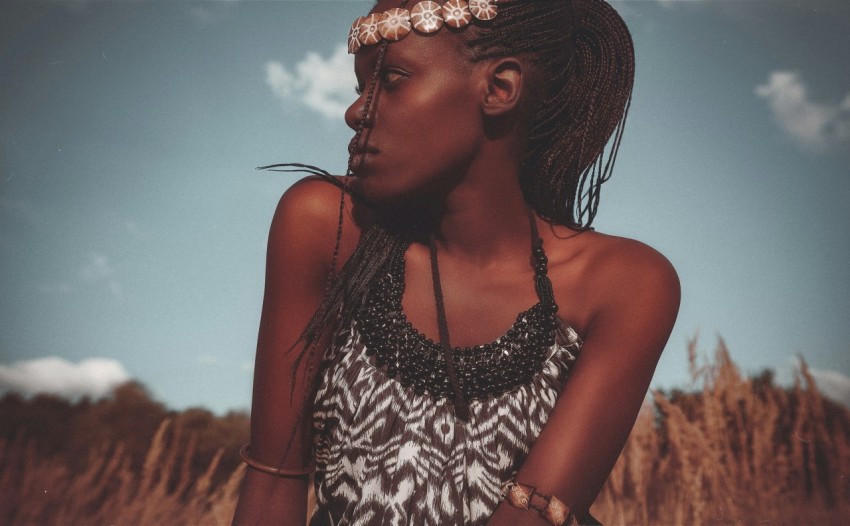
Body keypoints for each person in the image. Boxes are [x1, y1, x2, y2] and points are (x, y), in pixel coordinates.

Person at [233, 0, 679, 524]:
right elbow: (271, 486)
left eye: (393, 79)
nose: (357, 111)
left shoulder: (621, 283)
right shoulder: (328, 226)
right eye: (360, 88)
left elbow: (534, 516)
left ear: (500, 89)